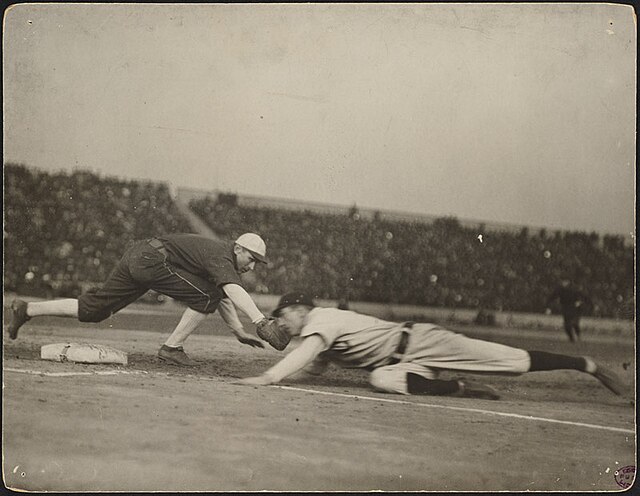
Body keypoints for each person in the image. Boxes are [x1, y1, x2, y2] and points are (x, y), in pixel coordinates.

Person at [238, 292, 626, 399]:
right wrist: (286, 375)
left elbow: (303, 357)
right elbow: (310, 367)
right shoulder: (317, 334)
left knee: (510, 363)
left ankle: (585, 364)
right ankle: (457, 388)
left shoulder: (323, 319)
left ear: (302, 308)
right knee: (381, 381)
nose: (280, 322)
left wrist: (270, 377)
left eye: (283, 315)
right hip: (401, 364)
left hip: (424, 340)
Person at [6, 233, 275, 366]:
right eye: (251, 260)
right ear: (238, 248)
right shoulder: (222, 254)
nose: (251, 267)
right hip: (152, 260)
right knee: (207, 295)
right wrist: (260, 320)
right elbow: (228, 290)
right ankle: (172, 348)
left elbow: (223, 293)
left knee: (95, 309)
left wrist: (238, 329)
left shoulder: (222, 256)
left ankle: (27, 309)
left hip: (142, 254)